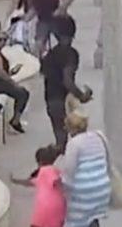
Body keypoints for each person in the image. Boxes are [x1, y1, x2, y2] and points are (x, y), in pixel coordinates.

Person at [41, 16, 92, 150]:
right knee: (77, 141)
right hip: (64, 100)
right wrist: (81, 96)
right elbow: (67, 80)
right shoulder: (71, 54)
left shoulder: (50, 54)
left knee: (60, 139)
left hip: (51, 98)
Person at [56, 113, 112, 227]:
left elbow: (69, 169)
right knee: (92, 217)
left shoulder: (74, 144)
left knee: (75, 220)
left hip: (84, 191)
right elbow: (108, 159)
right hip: (102, 187)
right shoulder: (99, 136)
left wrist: (62, 185)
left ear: (70, 129)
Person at [0, 31, 28, 133]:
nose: (2, 42)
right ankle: (15, 120)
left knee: (22, 92)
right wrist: (12, 82)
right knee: (22, 93)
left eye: (4, 40)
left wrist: (11, 73)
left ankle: (16, 119)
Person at [10, 145, 67, 227]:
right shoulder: (48, 174)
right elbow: (29, 182)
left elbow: (55, 180)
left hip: (45, 209)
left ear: (40, 162)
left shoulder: (46, 170)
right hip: (58, 208)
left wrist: (14, 180)